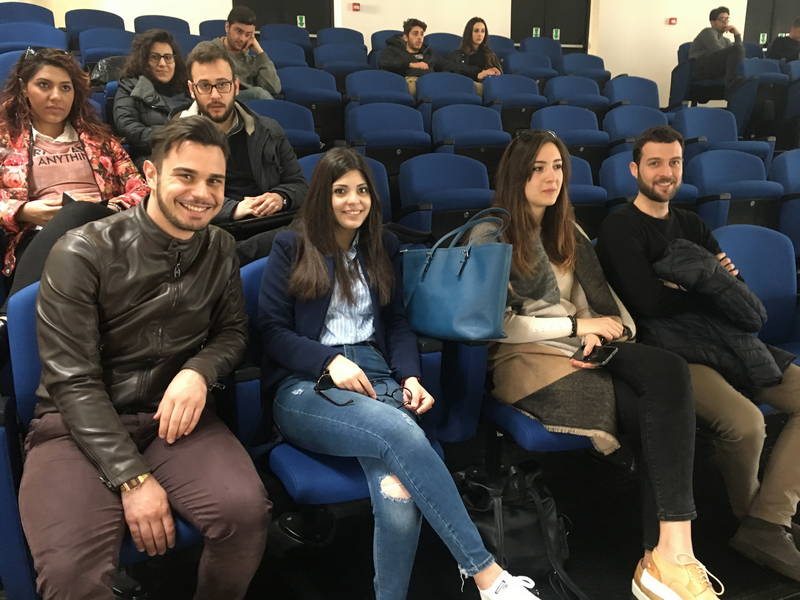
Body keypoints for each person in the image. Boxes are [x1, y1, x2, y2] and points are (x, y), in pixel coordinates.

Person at [258, 146, 540, 600]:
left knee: (399, 493)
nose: (353, 200)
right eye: (340, 191)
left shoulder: (382, 246)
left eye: (362, 190)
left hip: (377, 377)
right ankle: (487, 575)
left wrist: (410, 377)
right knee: (400, 431)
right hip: (306, 384)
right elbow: (271, 332)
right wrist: (327, 361)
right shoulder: (292, 245)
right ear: (322, 197)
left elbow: (396, 324)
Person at [18, 115, 271, 600]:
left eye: (214, 181)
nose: (202, 193)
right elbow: (72, 381)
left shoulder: (219, 246)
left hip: (169, 419)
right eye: (186, 176)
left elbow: (232, 332)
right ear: (151, 174)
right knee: (71, 573)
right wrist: (132, 479)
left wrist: (199, 371)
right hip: (75, 425)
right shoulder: (82, 251)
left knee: (245, 515)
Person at [472, 130, 724, 600]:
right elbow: (495, 325)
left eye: (557, 167)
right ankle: (668, 560)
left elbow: (599, 302)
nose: (551, 177)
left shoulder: (569, 230)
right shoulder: (491, 234)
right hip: (525, 357)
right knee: (661, 395)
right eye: (537, 169)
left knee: (666, 379)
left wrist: (599, 331)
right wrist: (575, 326)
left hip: (582, 345)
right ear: (515, 175)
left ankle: (668, 556)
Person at [596, 125, 800, 583]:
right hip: (673, 351)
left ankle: (768, 522)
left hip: (728, 341)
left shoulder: (692, 224)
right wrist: (708, 282)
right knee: (746, 424)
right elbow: (649, 303)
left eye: (674, 162)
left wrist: (696, 282)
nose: (666, 172)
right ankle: (752, 516)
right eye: (655, 163)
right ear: (634, 169)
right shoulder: (620, 227)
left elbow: (739, 297)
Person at [0, 48, 148, 296]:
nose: (56, 96)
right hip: (40, 238)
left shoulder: (100, 139)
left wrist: (110, 208)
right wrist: (22, 211)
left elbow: (141, 188)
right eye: (44, 85)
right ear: (24, 88)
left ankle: (10, 313)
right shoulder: (5, 139)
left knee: (79, 212)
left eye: (65, 88)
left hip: (107, 228)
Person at [181, 41, 306, 224]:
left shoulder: (269, 130)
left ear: (236, 86)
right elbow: (177, 199)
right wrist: (233, 209)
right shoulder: (177, 139)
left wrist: (281, 197)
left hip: (269, 222)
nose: (215, 95)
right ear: (192, 90)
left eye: (222, 84)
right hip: (212, 228)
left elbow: (299, 185)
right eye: (205, 85)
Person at [114, 29, 192, 166]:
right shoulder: (130, 87)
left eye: (168, 57)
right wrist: (170, 137)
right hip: (150, 157)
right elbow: (127, 126)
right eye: (155, 57)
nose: (162, 63)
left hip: (190, 153)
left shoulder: (187, 87)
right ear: (143, 60)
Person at [210, 5, 281, 101]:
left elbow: (274, 89)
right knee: (258, 94)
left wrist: (260, 52)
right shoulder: (209, 50)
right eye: (239, 31)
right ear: (227, 27)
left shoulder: (252, 59)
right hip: (222, 99)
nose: (242, 39)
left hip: (251, 106)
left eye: (248, 34)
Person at [379, 18, 441, 96]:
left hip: (429, 82)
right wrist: (410, 64)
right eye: (415, 34)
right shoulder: (393, 50)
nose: (419, 37)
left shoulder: (428, 52)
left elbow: (446, 65)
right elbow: (384, 63)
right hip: (407, 83)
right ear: (405, 37)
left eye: (422, 34)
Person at [688, 6, 744, 90]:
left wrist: (737, 35)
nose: (725, 22)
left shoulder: (726, 40)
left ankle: (735, 84)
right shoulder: (707, 32)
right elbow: (717, 51)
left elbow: (737, 54)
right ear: (712, 22)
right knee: (736, 50)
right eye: (722, 19)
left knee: (738, 52)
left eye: (727, 19)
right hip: (700, 68)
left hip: (715, 68)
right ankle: (732, 86)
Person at [446, 17, 502, 83]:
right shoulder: (457, 55)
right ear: (469, 33)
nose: (480, 34)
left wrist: (495, 72)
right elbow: (454, 76)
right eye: (476, 31)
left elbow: (499, 78)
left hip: (486, 85)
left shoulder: (490, 54)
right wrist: (479, 75)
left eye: (483, 31)